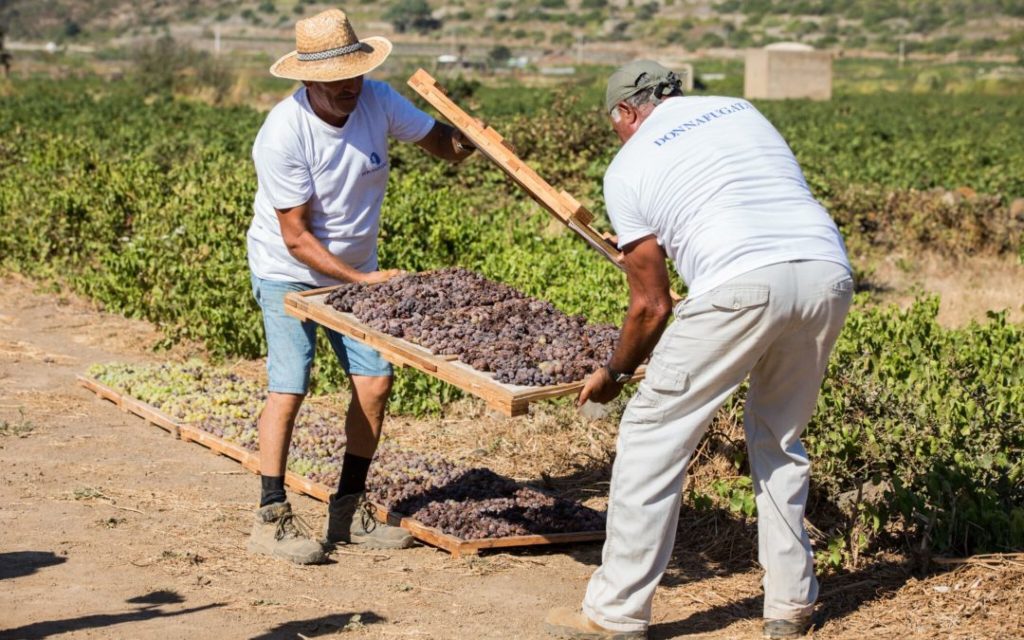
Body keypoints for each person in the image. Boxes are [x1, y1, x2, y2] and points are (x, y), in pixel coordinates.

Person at [544, 61, 853, 640]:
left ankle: (615, 614)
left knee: (652, 437)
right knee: (780, 438)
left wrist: (615, 372)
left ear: (626, 112)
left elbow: (652, 306)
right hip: (825, 275)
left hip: (739, 286)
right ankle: (789, 606)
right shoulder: (743, 109)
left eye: (616, 125)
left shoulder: (628, 165)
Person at [246, 8, 477, 565]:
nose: (348, 87)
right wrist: (365, 281)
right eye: (334, 80)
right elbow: (297, 238)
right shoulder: (284, 133)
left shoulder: (376, 98)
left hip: (356, 270)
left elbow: (437, 142)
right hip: (291, 270)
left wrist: (471, 141)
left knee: (374, 384)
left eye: (353, 73)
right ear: (307, 80)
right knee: (290, 382)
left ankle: (348, 511)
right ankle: (270, 513)